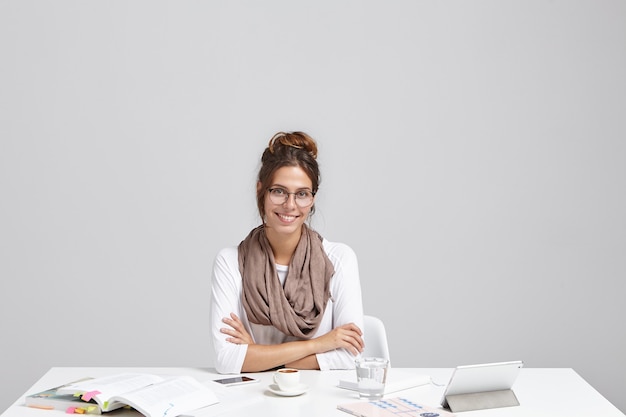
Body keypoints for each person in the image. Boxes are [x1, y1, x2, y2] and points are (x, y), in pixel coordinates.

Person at [210, 131, 365, 374]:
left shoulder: (339, 259)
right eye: (279, 191)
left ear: (312, 199)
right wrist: (320, 345)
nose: (290, 205)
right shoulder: (230, 262)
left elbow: (350, 358)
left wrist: (257, 354)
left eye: (302, 194)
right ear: (261, 190)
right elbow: (226, 361)